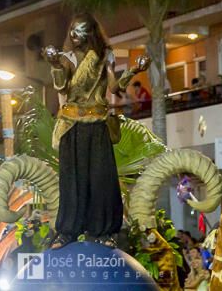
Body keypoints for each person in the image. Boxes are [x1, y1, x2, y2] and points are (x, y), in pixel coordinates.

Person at [43, 13, 149, 248]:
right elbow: (62, 87)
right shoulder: (67, 58)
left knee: (101, 180)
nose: (73, 34)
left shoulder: (103, 57)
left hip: (97, 124)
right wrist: (55, 65)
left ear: (90, 33)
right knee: (71, 181)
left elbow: (114, 86)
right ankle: (67, 232)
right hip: (72, 126)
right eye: (71, 30)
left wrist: (135, 70)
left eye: (79, 30)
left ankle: (103, 232)